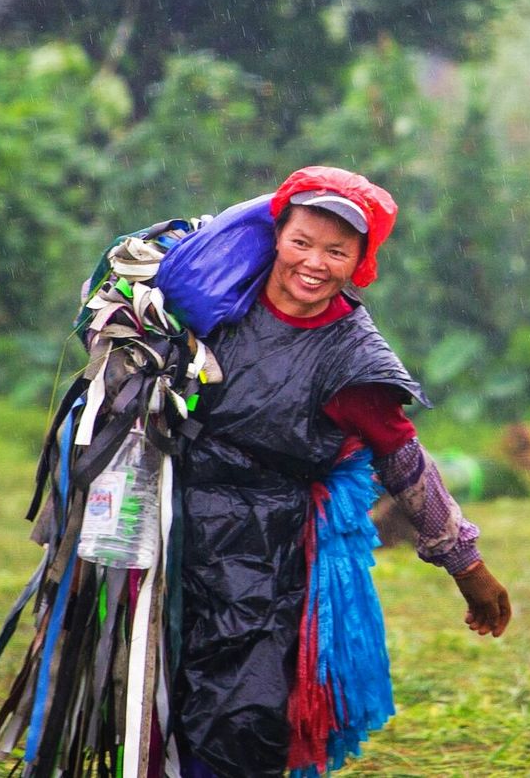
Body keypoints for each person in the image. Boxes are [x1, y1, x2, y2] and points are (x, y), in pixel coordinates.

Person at [172, 166, 511, 778]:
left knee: (241, 711)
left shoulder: (354, 358)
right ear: (277, 235)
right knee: (164, 691)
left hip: (269, 548)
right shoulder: (213, 304)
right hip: (172, 527)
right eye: (302, 242)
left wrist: (467, 566)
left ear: (360, 261)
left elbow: (406, 463)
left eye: (337, 251)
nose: (314, 263)